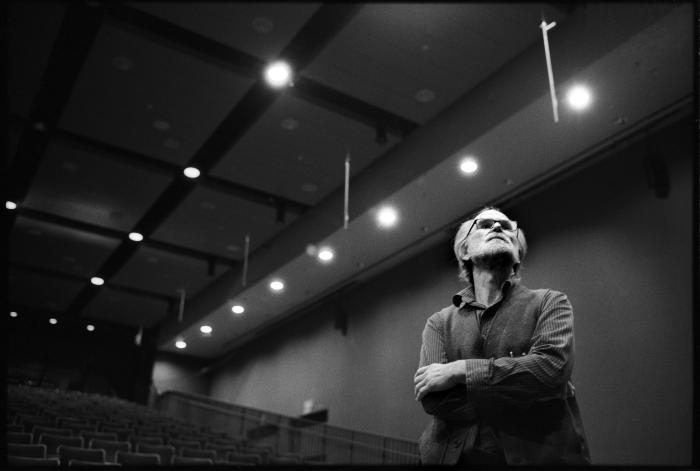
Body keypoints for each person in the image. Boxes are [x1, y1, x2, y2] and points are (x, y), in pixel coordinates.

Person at [414, 206, 590, 466]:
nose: (498, 228)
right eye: (484, 225)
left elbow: (551, 369)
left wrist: (460, 370)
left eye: (508, 227)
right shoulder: (438, 323)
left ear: (518, 253)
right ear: (464, 250)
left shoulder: (551, 302)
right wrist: (525, 390)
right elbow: (433, 398)